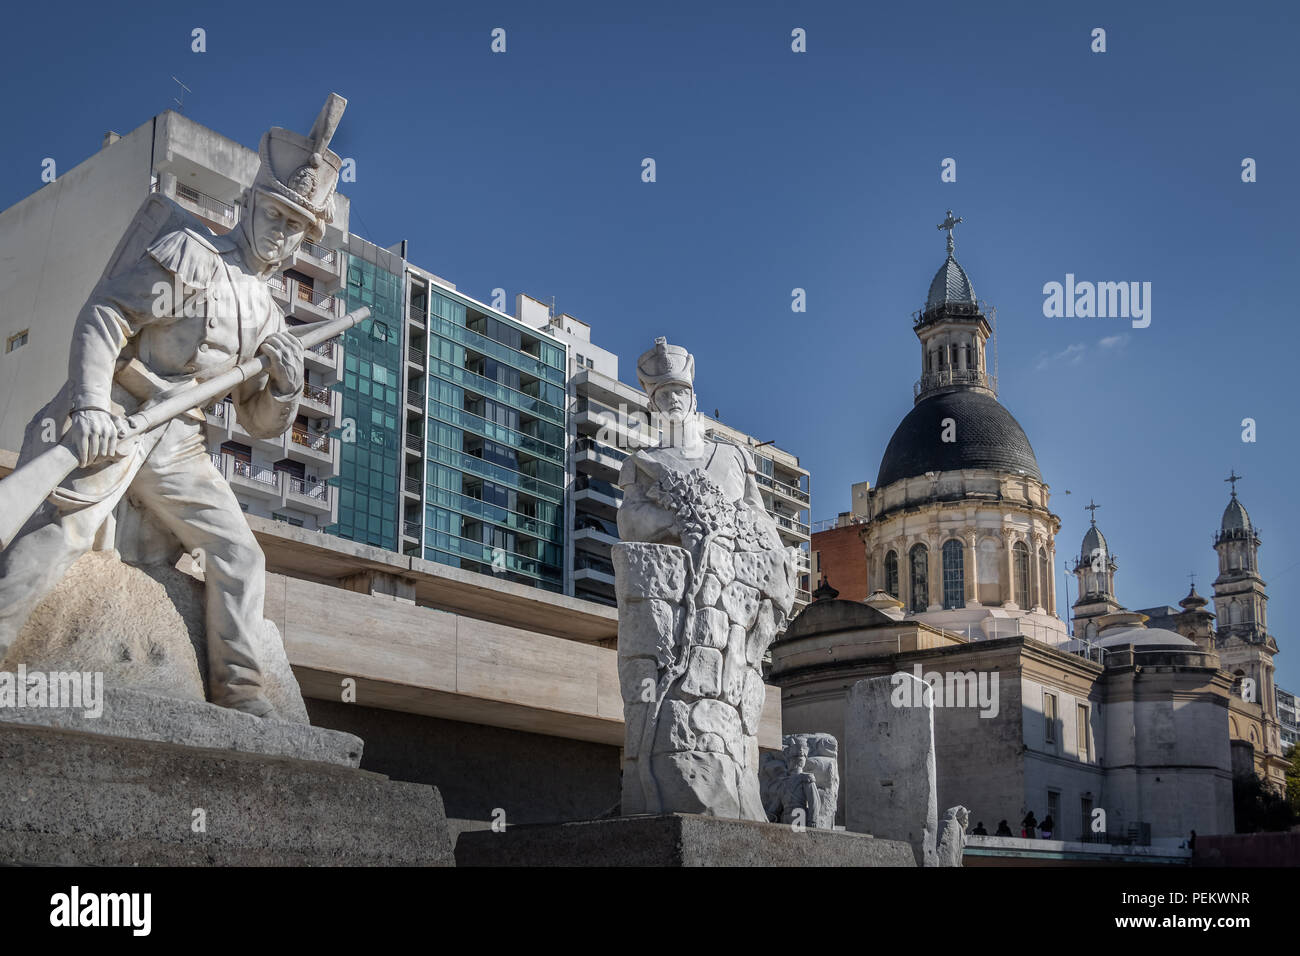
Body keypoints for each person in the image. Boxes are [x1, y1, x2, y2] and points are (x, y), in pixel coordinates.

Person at [0, 95, 348, 718]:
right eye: (275, 213)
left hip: (179, 440)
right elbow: (104, 316)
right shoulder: (194, 253)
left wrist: (288, 388)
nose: (282, 231)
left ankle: (240, 691)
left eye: (297, 226)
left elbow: (257, 421)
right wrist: (89, 406)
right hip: (120, 404)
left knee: (240, 554)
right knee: (63, 531)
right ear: (250, 204)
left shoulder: (269, 314)